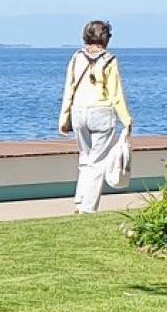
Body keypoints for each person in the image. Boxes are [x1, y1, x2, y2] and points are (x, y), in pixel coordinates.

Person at [56, 19, 133, 214]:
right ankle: (88, 208)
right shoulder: (109, 60)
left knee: (85, 158)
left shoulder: (76, 58)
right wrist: (127, 120)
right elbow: (116, 94)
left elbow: (69, 90)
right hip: (102, 112)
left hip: (79, 112)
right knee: (98, 161)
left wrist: (64, 119)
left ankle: (80, 200)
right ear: (105, 38)